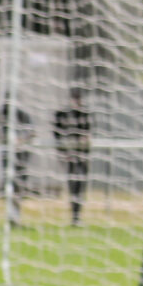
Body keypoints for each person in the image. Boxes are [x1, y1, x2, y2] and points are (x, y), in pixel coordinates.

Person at [53, 90, 93, 226]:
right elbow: (56, 134)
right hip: (69, 155)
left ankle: (77, 216)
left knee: (80, 185)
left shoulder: (85, 114)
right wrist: (64, 152)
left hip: (82, 155)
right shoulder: (62, 114)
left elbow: (88, 134)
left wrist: (84, 140)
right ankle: (74, 216)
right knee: (72, 184)